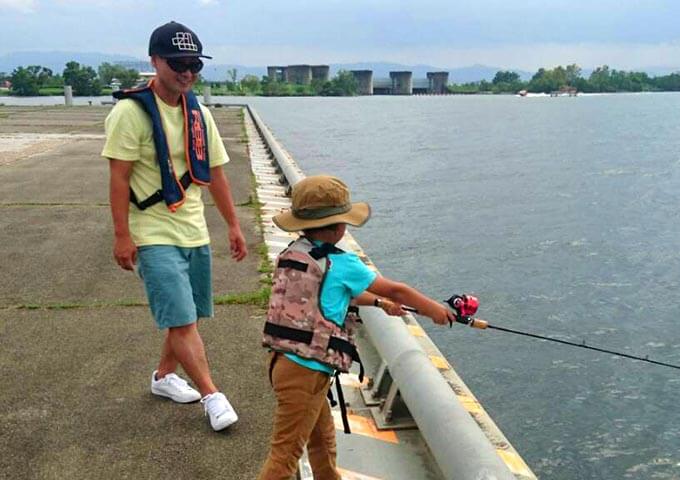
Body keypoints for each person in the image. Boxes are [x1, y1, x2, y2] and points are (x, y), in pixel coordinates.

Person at [258, 175, 455, 479]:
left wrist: (378, 304)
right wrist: (436, 311)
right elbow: (397, 290)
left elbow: (332, 293)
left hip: (285, 362)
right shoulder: (342, 263)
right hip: (306, 372)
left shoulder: (297, 252)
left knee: (322, 440)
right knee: (284, 457)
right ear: (339, 227)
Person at [102, 21, 247, 432]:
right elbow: (119, 177)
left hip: (193, 228)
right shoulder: (130, 112)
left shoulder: (197, 113)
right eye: (178, 63)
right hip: (151, 231)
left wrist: (234, 226)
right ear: (155, 61)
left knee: (188, 315)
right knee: (182, 319)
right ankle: (212, 395)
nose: (187, 72)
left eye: (194, 64)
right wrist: (122, 234)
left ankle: (164, 377)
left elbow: (216, 173)